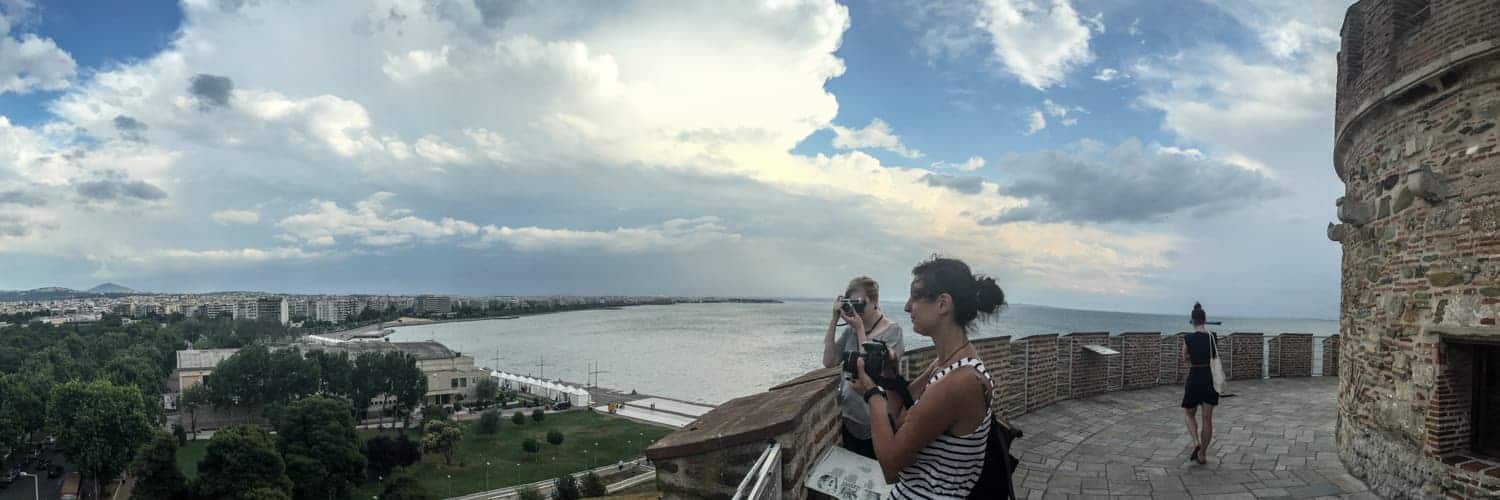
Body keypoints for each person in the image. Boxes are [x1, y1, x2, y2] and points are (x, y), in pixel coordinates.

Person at [850, 256, 1003, 498]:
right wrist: (890, 375)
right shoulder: (944, 365)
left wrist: (871, 394)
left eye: (915, 296)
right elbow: (898, 418)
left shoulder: (959, 383)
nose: (907, 306)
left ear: (942, 304)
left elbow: (890, 465)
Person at [822, 276, 905, 459]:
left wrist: (860, 330)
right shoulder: (851, 329)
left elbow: (869, 372)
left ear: (875, 301)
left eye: (861, 304)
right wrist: (834, 320)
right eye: (852, 304)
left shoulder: (892, 331)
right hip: (849, 420)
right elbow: (828, 361)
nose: (857, 310)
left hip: (877, 421)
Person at [1181, 302, 1219, 465]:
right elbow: (1215, 356)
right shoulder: (1213, 337)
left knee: (1189, 413)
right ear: (1204, 320)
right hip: (1209, 377)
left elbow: (1184, 358)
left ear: (1193, 320)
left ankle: (1196, 441)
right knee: (1207, 419)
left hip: (1195, 375)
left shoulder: (1188, 338)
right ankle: (1202, 453)